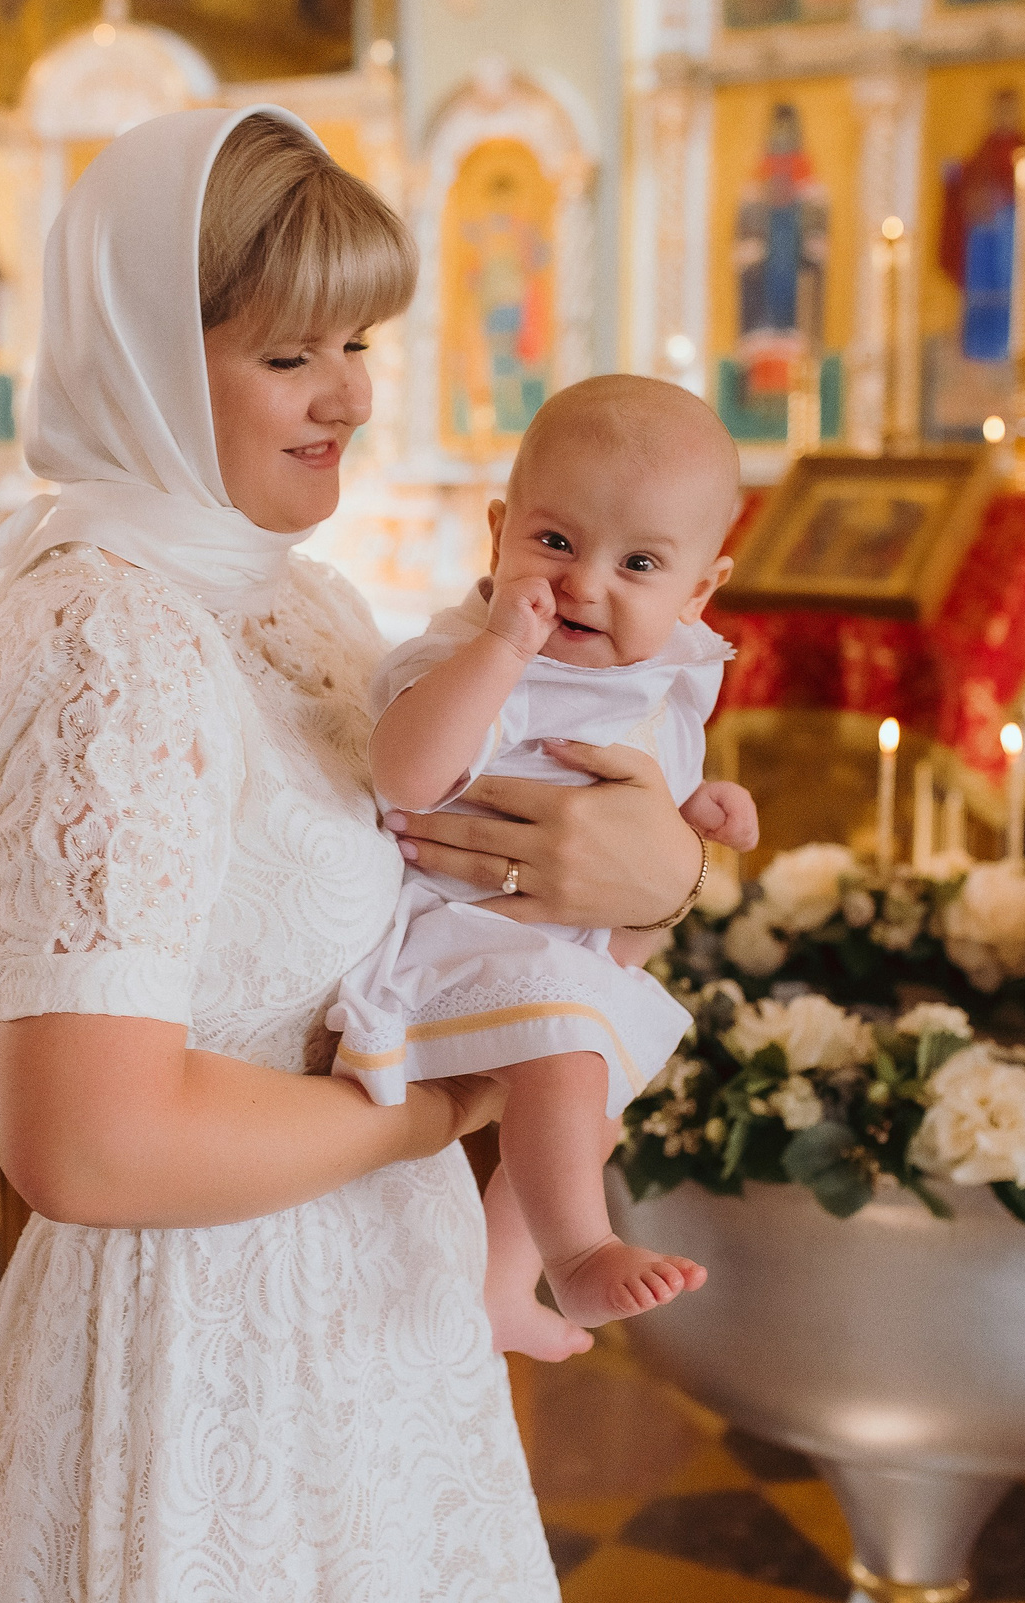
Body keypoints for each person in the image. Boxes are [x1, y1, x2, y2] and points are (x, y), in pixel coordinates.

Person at [0, 105, 708, 1598]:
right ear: (150, 354)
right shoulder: (105, 634)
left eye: (358, 341)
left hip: (378, 1328)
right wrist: (435, 1111)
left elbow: (503, 879)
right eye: (290, 354)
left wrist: (667, 873)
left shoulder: (305, 608)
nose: (346, 395)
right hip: (202, 1349)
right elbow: (85, 1144)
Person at [328, 376, 757, 1361]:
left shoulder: (663, 675)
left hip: (566, 949)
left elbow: (642, 803)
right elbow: (405, 771)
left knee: (594, 1097)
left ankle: (501, 1282)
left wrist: (698, 815)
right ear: (497, 532)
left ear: (697, 592)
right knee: (569, 1064)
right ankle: (578, 1252)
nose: (583, 584)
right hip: (457, 936)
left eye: (638, 563)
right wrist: (497, 653)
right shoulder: (465, 662)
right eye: (554, 543)